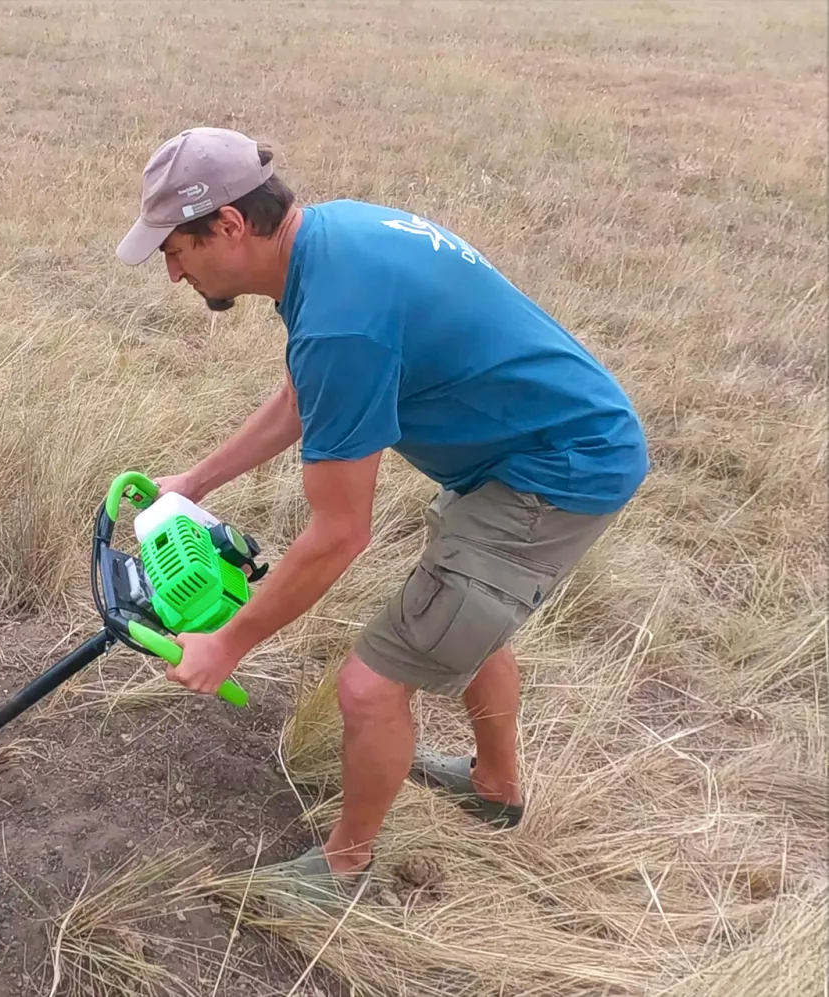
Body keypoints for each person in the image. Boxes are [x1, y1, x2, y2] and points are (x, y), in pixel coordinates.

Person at [115, 127, 649, 902]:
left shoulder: (340, 316)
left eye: (177, 248)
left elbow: (339, 535)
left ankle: (342, 871)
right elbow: (309, 392)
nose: (171, 273)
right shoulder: (332, 240)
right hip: (526, 446)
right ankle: (494, 786)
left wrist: (228, 643)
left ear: (230, 224)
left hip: (557, 469)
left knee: (370, 686)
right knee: (465, 605)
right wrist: (196, 480)